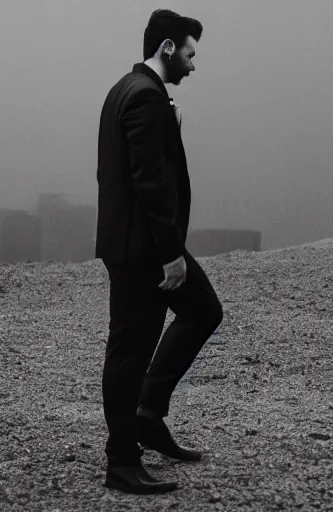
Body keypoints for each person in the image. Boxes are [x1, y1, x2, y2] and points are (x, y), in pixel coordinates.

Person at [95, 9, 222, 495]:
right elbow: (150, 182)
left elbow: (133, 166)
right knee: (128, 352)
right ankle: (121, 462)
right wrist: (170, 253)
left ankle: (148, 414)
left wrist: (174, 128)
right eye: (190, 54)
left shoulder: (128, 90)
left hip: (137, 242)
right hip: (143, 250)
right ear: (168, 48)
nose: (194, 65)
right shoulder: (146, 97)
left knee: (203, 310)